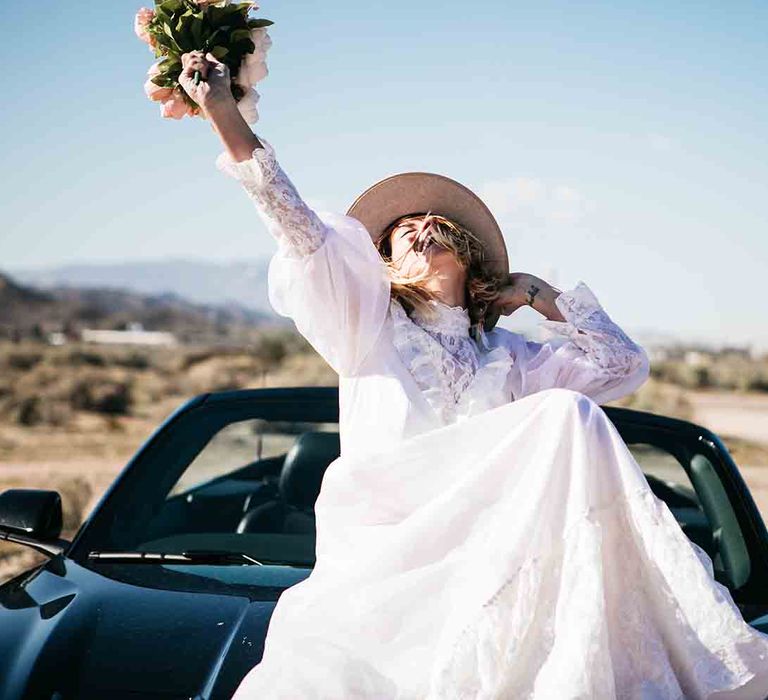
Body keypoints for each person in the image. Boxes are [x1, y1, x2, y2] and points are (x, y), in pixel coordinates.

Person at [178, 51, 768, 699]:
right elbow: (298, 230)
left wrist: (541, 295)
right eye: (402, 228)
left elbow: (624, 366)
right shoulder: (365, 322)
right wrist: (225, 115)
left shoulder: (510, 360)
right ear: (383, 260)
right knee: (564, 415)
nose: (420, 228)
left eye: (436, 223)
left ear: (467, 254)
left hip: (492, 564)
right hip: (392, 559)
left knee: (568, 413)